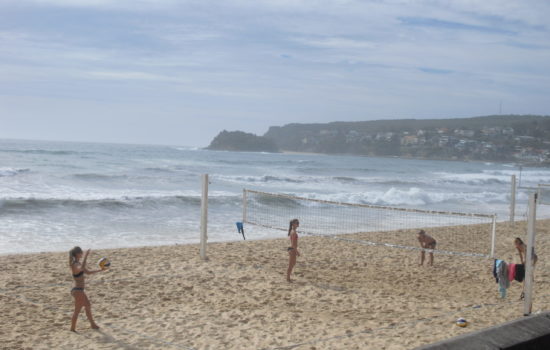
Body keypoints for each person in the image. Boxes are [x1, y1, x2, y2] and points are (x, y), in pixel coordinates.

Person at [69, 246, 106, 332]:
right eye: (81, 252)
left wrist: (100, 270)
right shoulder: (75, 264)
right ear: (77, 254)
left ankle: (93, 324)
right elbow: (81, 268)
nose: (82, 253)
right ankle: (72, 329)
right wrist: (86, 256)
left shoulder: (78, 263)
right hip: (78, 291)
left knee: (88, 306)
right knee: (77, 310)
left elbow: (88, 272)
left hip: (79, 290)